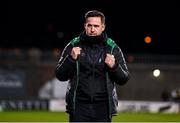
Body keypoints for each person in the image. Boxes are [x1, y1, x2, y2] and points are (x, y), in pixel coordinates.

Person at [55, 10, 130, 122]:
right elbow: (60, 75)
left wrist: (114, 66)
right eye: (89, 25)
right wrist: (70, 59)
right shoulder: (73, 45)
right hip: (79, 106)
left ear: (103, 27)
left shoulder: (113, 48)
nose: (92, 29)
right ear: (85, 26)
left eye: (96, 26)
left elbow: (124, 78)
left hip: (103, 107)